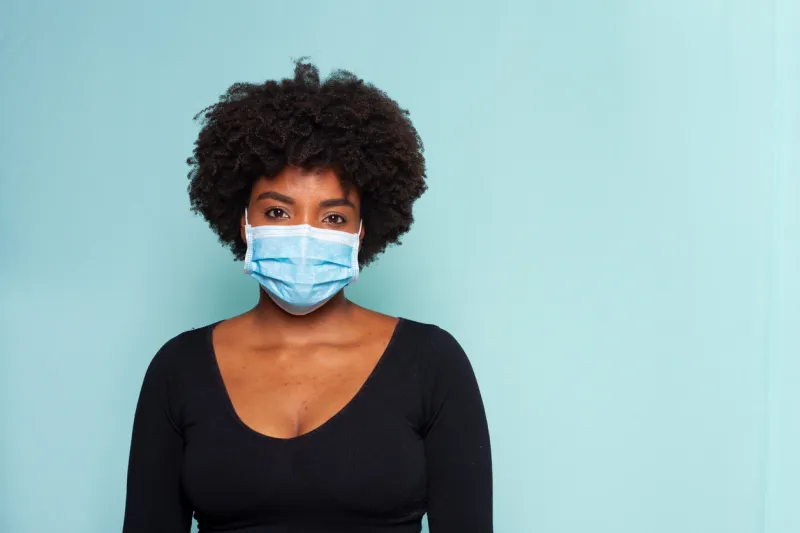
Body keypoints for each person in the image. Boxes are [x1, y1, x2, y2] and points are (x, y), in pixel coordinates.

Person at [122, 59, 493, 533]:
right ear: (244, 222)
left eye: (333, 218)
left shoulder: (433, 363)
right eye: (278, 211)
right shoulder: (178, 369)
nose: (303, 235)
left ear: (362, 231)